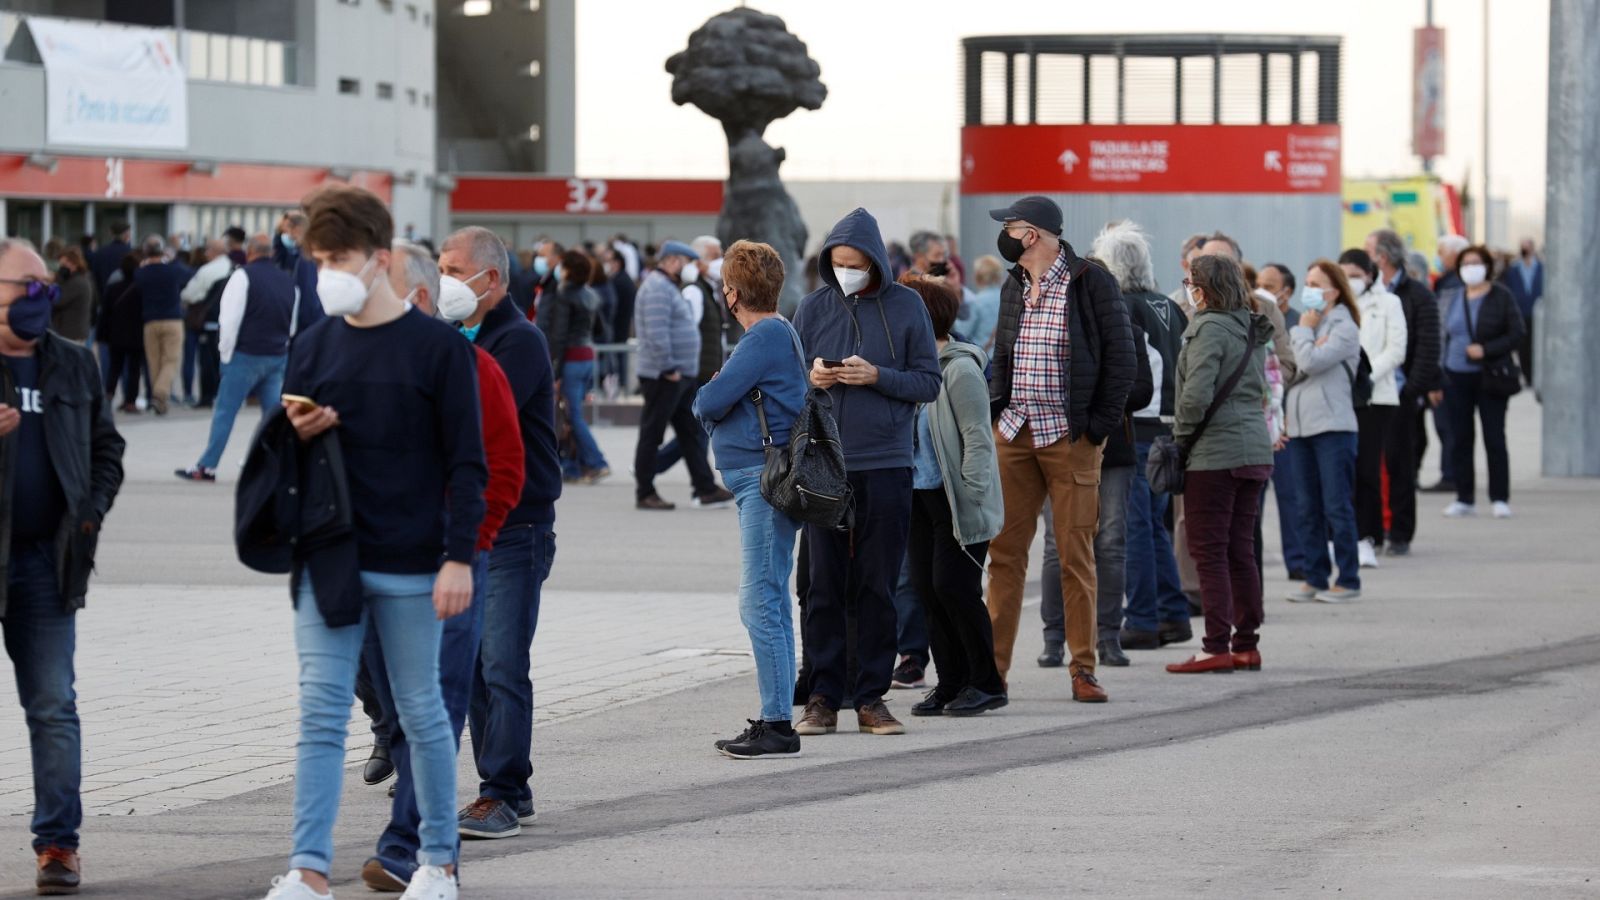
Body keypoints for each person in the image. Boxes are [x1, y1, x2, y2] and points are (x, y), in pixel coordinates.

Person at [262, 186, 482, 900]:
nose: (328, 270)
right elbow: (284, 464)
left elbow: (467, 463)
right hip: (328, 562)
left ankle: (438, 862)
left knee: (422, 712)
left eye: (341, 257)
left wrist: (457, 557)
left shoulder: (438, 349)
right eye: (319, 258)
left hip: (414, 565)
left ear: (380, 259)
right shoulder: (312, 343)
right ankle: (309, 869)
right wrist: (293, 435)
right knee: (320, 713)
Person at [357, 240, 525, 891]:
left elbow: (506, 469)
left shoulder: (475, 367)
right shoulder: (359, 358)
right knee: (395, 705)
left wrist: (469, 549)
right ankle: (424, 841)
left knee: (435, 704)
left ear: (419, 296)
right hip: (374, 564)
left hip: (451, 564)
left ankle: (411, 847)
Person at [0, 238, 126, 897]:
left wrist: (90, 512)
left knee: (53, 705)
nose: (40, 295)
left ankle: (58, 845)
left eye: (46, 284)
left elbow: (109, 448)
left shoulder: (75, 364)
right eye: (26, 285)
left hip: (50, 566)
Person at [791, 207, 942, 737]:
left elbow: (928, 381)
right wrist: (813, 377)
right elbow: (791, 384)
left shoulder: (906, 308)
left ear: (875, 261)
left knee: (877, 584)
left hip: (887, 462)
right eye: (838, 264)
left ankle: (872, 696)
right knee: (823, 585)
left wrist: (878, 376)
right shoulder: (811, 308)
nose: (847, 272)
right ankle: (822, 696)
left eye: (855, 263)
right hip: (825, 464)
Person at [435, 227, 561, 840]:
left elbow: (476, 417)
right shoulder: (458, 336)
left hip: (518, 525)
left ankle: (504, 791)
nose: (444, 281)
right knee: (476, 664)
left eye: (454, 269)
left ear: (489, 278)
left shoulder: (519, 340)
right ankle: (502, 785)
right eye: (439, 268)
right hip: (471, 526)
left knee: (502, 662)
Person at [985, 196, 1136, 702]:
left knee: (1075, 554)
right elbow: (1001, 351)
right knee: (1004, 554)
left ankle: (1083, 668)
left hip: (1069, 437)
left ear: (1032, 234)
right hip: (1015, 431)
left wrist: (1096, 428)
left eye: (1010, 227)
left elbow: (1121, 359)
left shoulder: (1090, 281)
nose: (1004, 235)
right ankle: (993, 672)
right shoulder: (1014, 284)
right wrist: (994, 410)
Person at [691, 240, 808, 757]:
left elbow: (709, 400)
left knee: (758, 600)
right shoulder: (775, 334)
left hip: (762, 481)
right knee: (771, 599)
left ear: (732, 292)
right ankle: (777, 715)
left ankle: (777, 723)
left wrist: (712, 396)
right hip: (760, 480)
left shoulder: (761, 338)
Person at [894, 274, 1009, 716]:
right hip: (919, 498)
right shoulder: (911, 370)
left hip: (957, 498)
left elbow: (979, 439)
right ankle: (951, 682)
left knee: (955, 588)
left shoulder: (959, 369)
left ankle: (986, 682)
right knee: (927, 589)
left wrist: (974, 497)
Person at [1164, 253, 1273, 673]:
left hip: (1215, 454)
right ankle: (1246, 643)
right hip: (1254, 449)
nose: (1188, 287)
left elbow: (1195, 395)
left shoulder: (1207, 326)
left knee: (1208, 551)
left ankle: (1215, 645)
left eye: (1191, 281)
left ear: (1203, 288)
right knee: (1240, 549)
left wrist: (1181, 439)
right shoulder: (1249, 324)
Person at [1089, 222, 1193, 654]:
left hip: (1140, 427)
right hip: (1171, 426)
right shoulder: (1170, 306)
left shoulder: (1124, 309)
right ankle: (1172, 612)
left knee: (1133, 528)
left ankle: (1144, 618)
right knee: (1153, 526)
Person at [173, 235, 295, 482]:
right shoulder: (287, 279)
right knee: (273, 416)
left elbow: (229, 318)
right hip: (276, 355)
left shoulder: (242, 276)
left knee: (225, 412)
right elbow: (292, 321)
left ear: (250, 252)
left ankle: (207, 466)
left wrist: (225, 353)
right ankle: (277, 465)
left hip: (245, 354)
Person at [631, 240, 732, 511]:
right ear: (674, 261)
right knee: (652, 433)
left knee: (689, 432)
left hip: (678, 375)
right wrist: (668, 367)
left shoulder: (666, 287)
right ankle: (645, 490)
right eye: (687, 263)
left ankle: (705, 487)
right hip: (664, 375)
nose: (689, 269)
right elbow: (655, 332)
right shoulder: (657, 289)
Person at [1285, 260, 1364, 604]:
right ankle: (1315, 575)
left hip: (1333, 427)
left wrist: (1303, 332)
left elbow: (1310, 363)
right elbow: (1290, 367)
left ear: (1334, 289)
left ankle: (1348, 578)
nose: (1310, 290)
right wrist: (1307, 336)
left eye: (1316, 283)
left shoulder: (1344, 326)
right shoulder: (1312, 324)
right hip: (1301, 427)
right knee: (1307, 506)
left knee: (1336, 505)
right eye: (1307, 283)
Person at [1363, 229, 1441, 557]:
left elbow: (1428, 346)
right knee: (1368, 466)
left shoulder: (1417, 294)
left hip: (1399, 394)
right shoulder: (1367, 294)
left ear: (1381, 257)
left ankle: (1400, 532)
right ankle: (1372, 531)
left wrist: (1411, 390)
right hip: (1367, 394)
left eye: (1367, 251)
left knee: (1399, 464)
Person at [1439, 245, 1525, 520]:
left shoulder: (1501, 296)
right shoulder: (1451, 297)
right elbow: (1442, 335)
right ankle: (1464, 497)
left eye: (1476, 262)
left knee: (1494, 437)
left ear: (1487, 266)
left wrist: (1486, 349)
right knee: (1460, 437)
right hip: (1455, 375)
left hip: (1490, 376)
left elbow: (1517, 333)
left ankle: (1499, 497)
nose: (1471, 268)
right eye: (1466, 263)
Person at [1338, 249, 1407, 568]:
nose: (1351, 280)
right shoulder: (1336, 303)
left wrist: (1363, 376)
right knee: (1342, 471)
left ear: (1369, 274)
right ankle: (1342, 537)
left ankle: (1368, 537)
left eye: (1356, 273)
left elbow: (1396, 350)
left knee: (1368, 470)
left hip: (1376, 397)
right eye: (1345, 273)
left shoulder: (1389, 303)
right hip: (1340, 396)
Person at [541, 249, 611, 483]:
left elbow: (559, 335)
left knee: (572, 415)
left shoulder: (563, 294)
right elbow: (601, 329)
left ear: (568, 270)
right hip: (588, 357)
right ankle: (575, 466)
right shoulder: (590, 294)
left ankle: (597, 461)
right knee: (573, 413)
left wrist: (555, 370)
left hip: (570, 358)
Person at [1256, 262, 1306, 578]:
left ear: (1287, 292)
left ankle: (1298, 563)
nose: (1263, 289)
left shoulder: (1299, 322)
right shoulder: (1254, 318)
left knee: (1291, 497)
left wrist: (1276, 408)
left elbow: (1293, 370)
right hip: (1258, 425)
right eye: (1259, 282)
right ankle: (1253, 567)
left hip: (1287, 424)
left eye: (1271, 285)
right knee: (1253, 503)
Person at [132, 237, 187, 415]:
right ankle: (161, 393)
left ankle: (159, 402)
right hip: (173, 319)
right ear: (162, 251)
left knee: (153, 361)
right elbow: (189, 275)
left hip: (150, 321)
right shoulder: (173, 270)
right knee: (171, 360)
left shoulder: (141, 273)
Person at [102, 254, 147, 413]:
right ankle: (130, 401)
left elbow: (105, 313)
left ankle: (108, 396)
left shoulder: (113, 288)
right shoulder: (142, 289)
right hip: (136, 334)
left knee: (115, 367)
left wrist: (103, 334)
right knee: (134, 369)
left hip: (116, 334)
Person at [274, 211, 323, 337]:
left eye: (286, 231)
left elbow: (308, 293)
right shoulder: (297, 253)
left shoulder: (307, 256)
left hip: (306, 326)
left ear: (298, 229)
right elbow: (279, 259)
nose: (284, 235)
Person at [1503, 239, 1542, 387]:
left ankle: (1535, 374)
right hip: (1520, 312)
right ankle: (1527, 375)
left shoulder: (1541, 267)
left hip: (1537, 313)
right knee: (1523, 346)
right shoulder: (1513, 269)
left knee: (1536, 345)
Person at [955, 255, 1003, 350]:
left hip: (982, 356)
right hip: (1001, 355)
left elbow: (963, 332)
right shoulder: (1005, 298)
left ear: (977, 276)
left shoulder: (976, 301)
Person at [50, 247, 94, 343]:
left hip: (71, 334)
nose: (61, 268)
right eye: (60, 265)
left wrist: (56, 280)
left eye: (64, 265)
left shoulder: (77, 282)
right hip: (67, 332)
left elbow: (57, 300)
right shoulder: (71, 280)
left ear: (74, 264)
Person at [88, 221, 132, 301]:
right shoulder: (131, 253)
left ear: (111, 233)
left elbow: (95, 278)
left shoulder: (99, 253)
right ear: (127, 234)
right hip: (127, 299)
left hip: (105, 298)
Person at [1168, 233, 1207, 313]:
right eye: (1199, 263)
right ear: (1185, 265)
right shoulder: (1171, 305)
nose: (1207, 269)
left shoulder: (1226, 300)